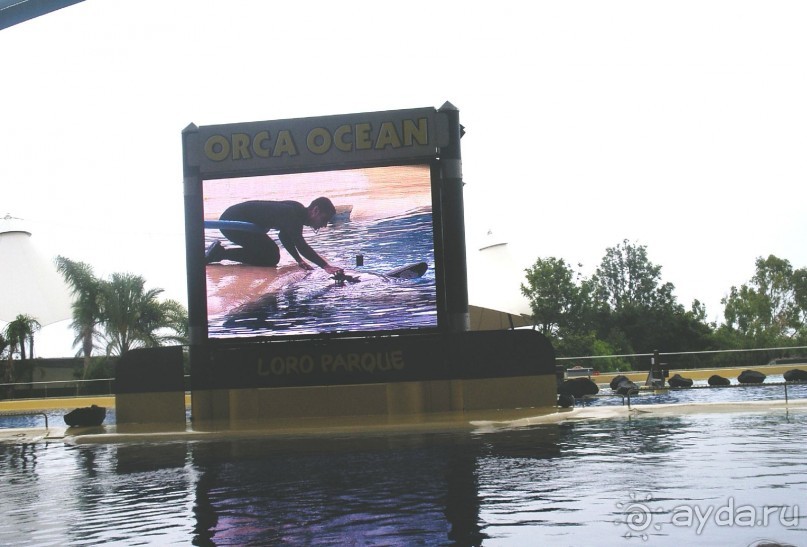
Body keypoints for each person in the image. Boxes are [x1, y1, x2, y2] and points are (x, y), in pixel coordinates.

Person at [205, 197, 342, 274]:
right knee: (271, 256)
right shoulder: (293, 216)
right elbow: (301, 245)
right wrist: (325, 266)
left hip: (236, 220)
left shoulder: (297, 210)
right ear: (315, 210)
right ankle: (219, 254)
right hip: (232, 223)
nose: (324, 225)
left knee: (271, 253)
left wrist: (298, 260)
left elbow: (284, 237)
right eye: (324, 219)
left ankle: (220, 253)